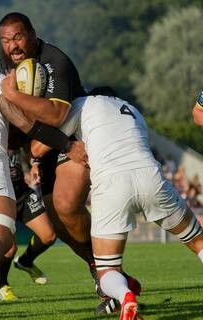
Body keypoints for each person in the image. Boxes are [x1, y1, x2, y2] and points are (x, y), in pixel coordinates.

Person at [30, 88, 203, 319]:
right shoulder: (133, 110)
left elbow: (37, 148)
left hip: (112, 185)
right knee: (198, 241)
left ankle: (125, 297)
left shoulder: (83, 104)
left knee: (107, 270)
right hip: (151, 177)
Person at [0, 12, 121, 312]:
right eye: (5, 41)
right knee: (56, 226)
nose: (13, 46)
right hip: (45, 149)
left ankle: (107, 273)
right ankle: (101, 269)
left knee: (66, 206)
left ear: (32, 34)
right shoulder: (3, 68)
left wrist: (12, 97)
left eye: (18, 37)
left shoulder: (55, 61)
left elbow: (56, 115)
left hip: (74, 141)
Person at [0, 54, 56, 301]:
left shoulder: (11, 110)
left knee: (49, 235)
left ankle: (27, 261)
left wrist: (34, 164)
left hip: (19, 187)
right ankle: (1, 284)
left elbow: (25, 143)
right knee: (7, 244)